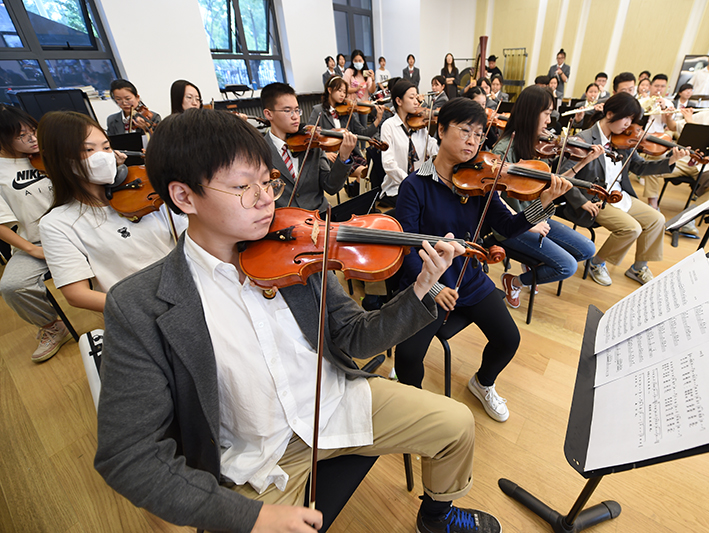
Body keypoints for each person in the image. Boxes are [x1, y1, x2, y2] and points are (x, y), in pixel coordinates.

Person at [94, 108, 504, 533]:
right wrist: (249, 517)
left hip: (336, 404)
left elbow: (354, 337)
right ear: (184, 197)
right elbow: (128, 456)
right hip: (256, 457)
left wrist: (421, 288)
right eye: (242, 187)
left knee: (457, 425)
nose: (266, 198)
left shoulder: (294, 247)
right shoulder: (138, 305)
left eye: (267, 182)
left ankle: (436, 517)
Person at [394, 97, 571, 421]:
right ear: (441, 130)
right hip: (426, 286)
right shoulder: (415, 186)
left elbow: (506, 226)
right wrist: (433, 289)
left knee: (508, 339)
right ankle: (413, 409)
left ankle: (482, 383)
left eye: (478, 134)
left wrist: (543, 203)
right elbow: (407, 248)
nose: (473, 140)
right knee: (406, 356)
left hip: (469, 280)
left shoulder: (478, 184)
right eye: (464, 131)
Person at [37, 111, 185, 313]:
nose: (103, 156)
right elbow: (76, 294)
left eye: (106, 147)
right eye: (89, 150)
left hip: (187, 289)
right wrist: (137, 309)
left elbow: (191, 236)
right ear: (59, 158)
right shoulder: (57, 223)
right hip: (136, 309)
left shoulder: (146, 190)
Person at [560, 93, 688, 286]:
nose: (629, 124)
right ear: (610, 113)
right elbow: (563, 176)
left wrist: (670, 160)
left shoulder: (622, 140)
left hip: (619, 195)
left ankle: (638, 267)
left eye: (632, 119)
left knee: (657, 219)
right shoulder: (584, 139)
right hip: (593, 199)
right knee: (631, 228)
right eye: (626, 117)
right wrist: (582, 202)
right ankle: (596, 263)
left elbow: (640, 167)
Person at [488, 86, 596, 308]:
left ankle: (534, 264)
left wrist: (583, 162)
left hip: (535, 216)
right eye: (546, 113)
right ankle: (514, 281)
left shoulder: (533, 145)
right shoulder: (503, 151)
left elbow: (554, 183)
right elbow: (492, 200)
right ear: (531, 112)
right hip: (511, 226)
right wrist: (528, 225)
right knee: (567, 266)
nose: (550, 120)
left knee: (587, 249)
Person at [0, 105, 69, 362]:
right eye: (21, 135)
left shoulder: (50, 154)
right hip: (33, 242)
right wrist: (31, 249)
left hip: (73, 232)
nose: (32, 139)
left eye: (33, 131)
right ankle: (52, 325)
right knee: (12, 286)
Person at [647, 80, 709, 232]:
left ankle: (687, 220)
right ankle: (653, 206)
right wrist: (668, 116)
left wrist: (691, 122)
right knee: (652, 165)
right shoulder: (705, 114)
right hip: (687, 160)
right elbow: (675, 126)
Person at [260, 83, 356, 211]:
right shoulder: (259, 151)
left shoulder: (311, 142)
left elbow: (331, 187)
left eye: (297, 110)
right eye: (287, 111)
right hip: (285, 222)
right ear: (268, 114)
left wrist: (344, 157)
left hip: (319, 216)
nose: (295, 116)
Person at [380, 79, 438, 206]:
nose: (417, 102)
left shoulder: (420, 124)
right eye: (412, 98)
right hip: (396, 187)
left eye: (416, 97)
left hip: (420, 185)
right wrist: (410, 182)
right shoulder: (388, 126)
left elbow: (432, 146)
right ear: (399, 101)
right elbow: (388, 163)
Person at [309, 75, 384, 138]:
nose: (342, 95)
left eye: (344, 92)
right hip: (327, 152)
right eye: (339, 91)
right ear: (329, 90)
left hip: (347, 153)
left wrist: (378, 119)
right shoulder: (318, 110)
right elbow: (309, 134)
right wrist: (325, 154)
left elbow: (363, 133)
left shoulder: (346, 111)